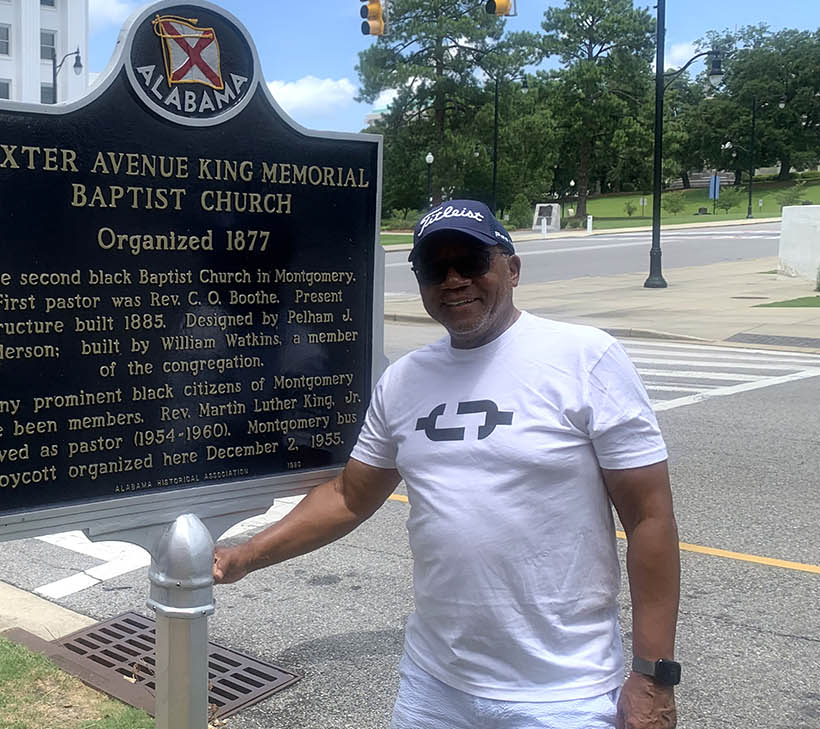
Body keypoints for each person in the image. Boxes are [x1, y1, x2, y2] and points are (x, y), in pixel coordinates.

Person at [214, 200, 680, 729]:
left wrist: (653, 675)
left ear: (512, 268)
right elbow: (348, 496)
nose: (454, 279)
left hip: (562, 694)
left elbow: (649, 519)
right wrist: (245, 557)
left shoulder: (586, 359)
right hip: (434, 688)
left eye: (473, 261)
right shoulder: (406, 380)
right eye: (435, 267)